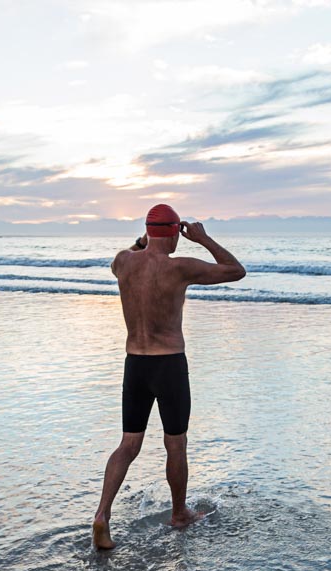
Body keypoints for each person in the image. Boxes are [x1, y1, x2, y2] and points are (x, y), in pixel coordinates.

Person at [92, 204, 246, 550]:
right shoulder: (179, 268)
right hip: (169, 365)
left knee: (129, 444)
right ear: (176, 232)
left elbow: (131, 253)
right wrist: (204, 239)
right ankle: (179, 513)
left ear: (147, 232)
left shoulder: (123, 263)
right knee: (175, 443)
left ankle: (102, 514)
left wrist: (143, 241)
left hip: (135, 363)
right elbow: (236, 270)